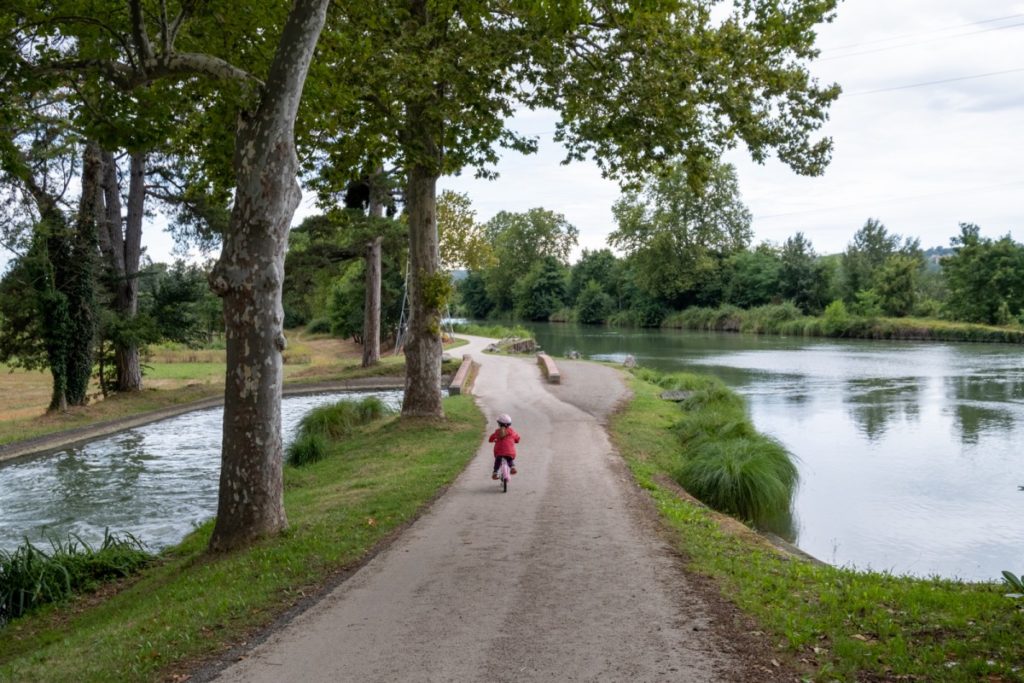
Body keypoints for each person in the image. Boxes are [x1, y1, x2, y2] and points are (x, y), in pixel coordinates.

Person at [488, 413, 520, 480]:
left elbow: (491, 438)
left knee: (497, 461)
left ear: (499, 424)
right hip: (510, 451)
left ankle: (495, 473)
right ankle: (512, 467)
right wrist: (516, 441)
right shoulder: (511, 431)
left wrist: (491, 440)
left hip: (499, 452)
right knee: (509, 458)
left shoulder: (497, 432)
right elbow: (517, 438)